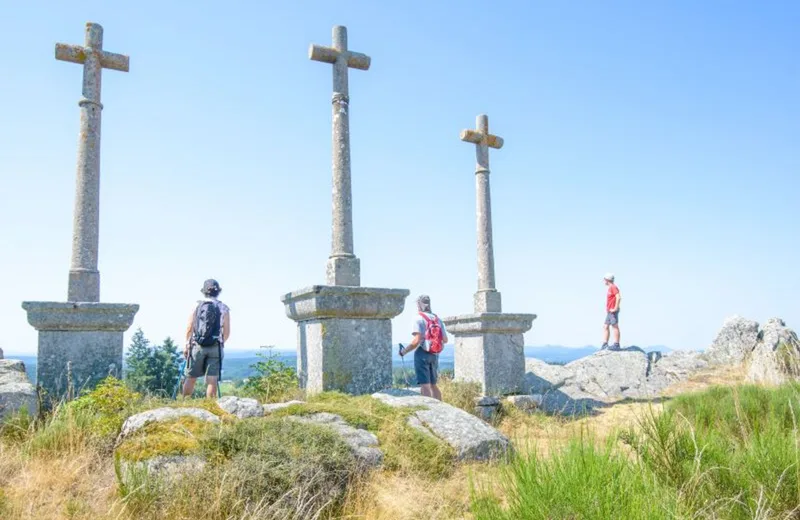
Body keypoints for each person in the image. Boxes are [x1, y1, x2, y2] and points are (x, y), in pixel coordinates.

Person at [182, 279, 230, 398]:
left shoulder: (197, 306)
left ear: (204, 292)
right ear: (218, 292)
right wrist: (220, 342)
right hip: (215, 346)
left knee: (191, 377)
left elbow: (189, 327)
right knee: (212, 380)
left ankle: (184, 404)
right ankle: (210, 406)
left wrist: (187, 344)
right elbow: (227, 331)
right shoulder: (223, 307)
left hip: (197, 345)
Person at [399, 295, 447, 400]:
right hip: (435, 354)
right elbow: (445, 339)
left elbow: (416, 340)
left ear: (418, 305)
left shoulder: (418, 318)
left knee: (425, 385)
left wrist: (404, 351)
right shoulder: (437, 319)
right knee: (433, 385)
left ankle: (429, 409)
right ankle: (441, 407)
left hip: (422, 353)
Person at [601, 273, 621, 351]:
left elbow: (618, 297)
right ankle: (605, 344)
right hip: (609, 311)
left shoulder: (613, 287)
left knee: (614, 326)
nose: (603, 281)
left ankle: (616, 344)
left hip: (613, 311)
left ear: (607, 280)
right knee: (605, 326)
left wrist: (615, 308)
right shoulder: (610, 288)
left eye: (604, 280)